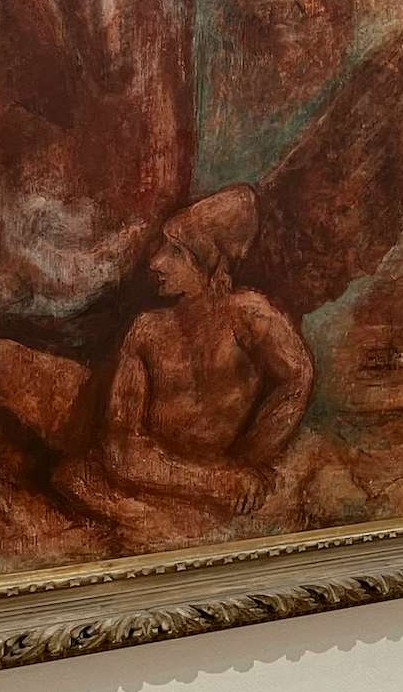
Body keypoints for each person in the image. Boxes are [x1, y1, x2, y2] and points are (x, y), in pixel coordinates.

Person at [54, 185, 317, 552]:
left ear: (213, 262)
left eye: (176, 251)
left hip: (212, 483)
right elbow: (121, 450)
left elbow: (298, 378)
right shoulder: (146, 331)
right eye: (163, 247)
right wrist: (220, 480)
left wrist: (252, 459)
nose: (156, 262)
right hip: (162, 480)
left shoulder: (249, 315)